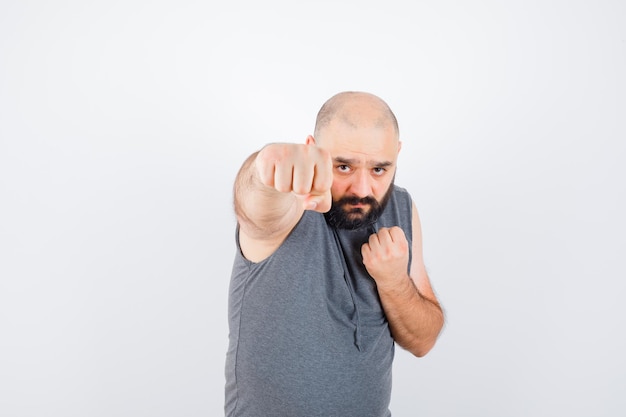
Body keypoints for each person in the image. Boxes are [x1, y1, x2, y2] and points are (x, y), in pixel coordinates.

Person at [225, 91, 444, 417]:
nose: (362, 189)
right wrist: (264, 169)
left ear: (397, 155)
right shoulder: (290, 203)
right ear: (312, 149)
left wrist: (395, 282)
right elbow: (256, 203)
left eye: (379, 169)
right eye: (343, 166)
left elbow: (424, 340)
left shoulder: (401, 207)